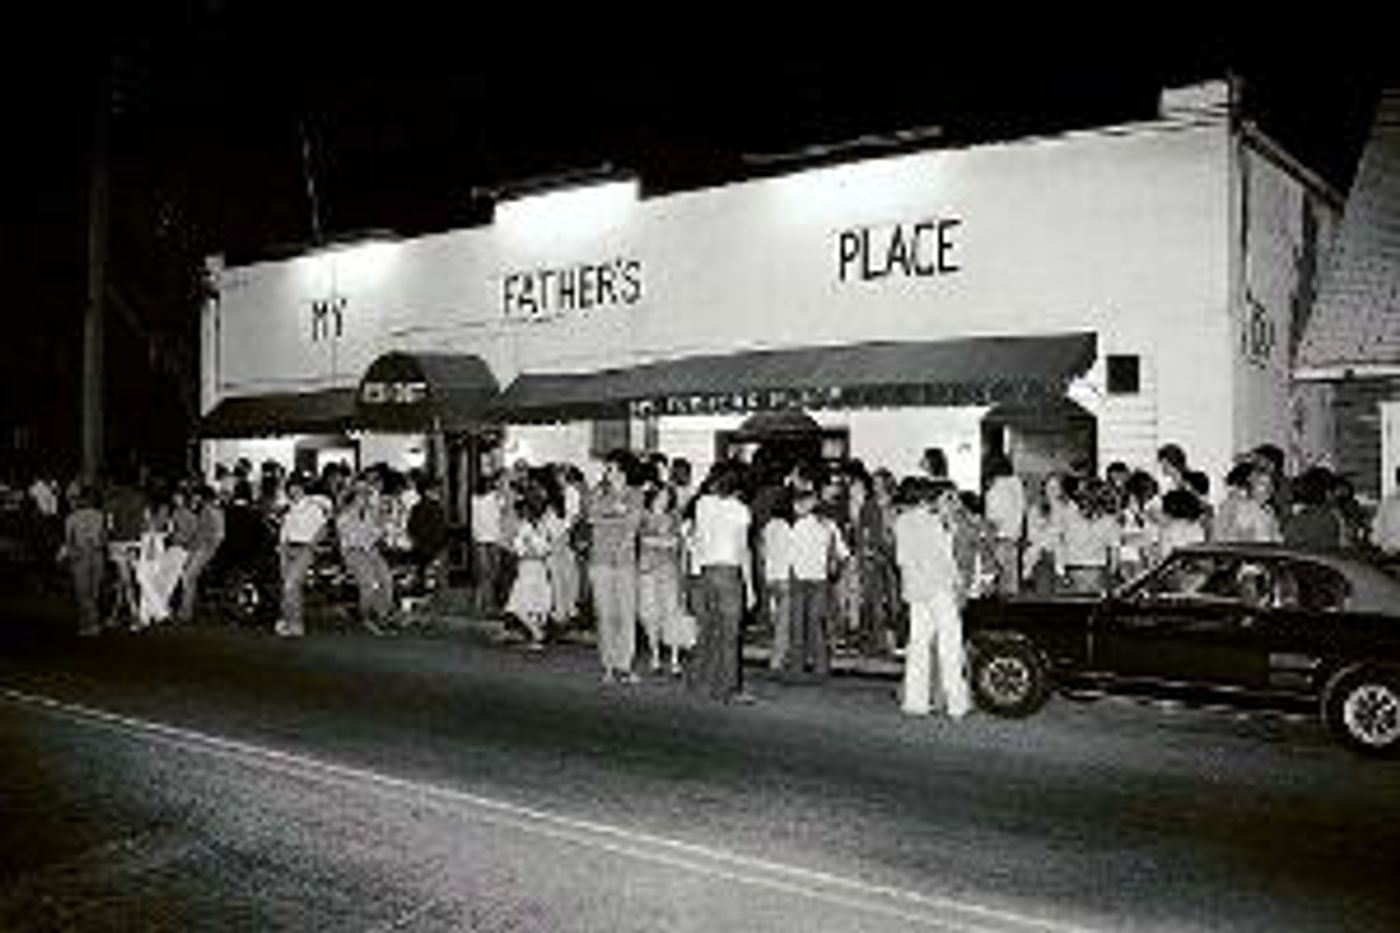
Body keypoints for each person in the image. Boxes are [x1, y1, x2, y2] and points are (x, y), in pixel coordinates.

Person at [894, 477, 971, 719]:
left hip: (916, 590)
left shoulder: (901, 522)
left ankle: (915, 702)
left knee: (918, 645)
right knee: (950, 644)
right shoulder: (934, 522)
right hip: (939, 589)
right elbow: (945, 560)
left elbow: (901, 560)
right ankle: (956, 704)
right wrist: (958, 583)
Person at [688, 462, 755, 703]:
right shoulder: (740, 510)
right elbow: (742, 549)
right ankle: (728, 689)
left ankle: (700, 681)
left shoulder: (702, 504)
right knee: (730, 635)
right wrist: (751, 587)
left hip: (706, 572)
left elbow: (699, 538)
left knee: (708, 630)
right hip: (728, 572)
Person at [586, 450, 645, 684]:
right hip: (600, 560)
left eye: (610, 468)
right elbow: (591, 517)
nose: (606, 472)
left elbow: (633, 525)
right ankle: (608, 665)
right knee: (605, 614)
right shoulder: (599, 492)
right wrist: (614, 514)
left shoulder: (636, 494)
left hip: (625, 562)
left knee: (626, 614)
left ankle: (625, 665)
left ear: (622, 470)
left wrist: (608, 516)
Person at [784, 488, 848, 683]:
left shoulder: (797, 526)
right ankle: (822, 667)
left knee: (797, 625)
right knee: (816, 625)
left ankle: (797, 668)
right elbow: (844, 553)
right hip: (820, 580)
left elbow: (789, 555)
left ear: (804, 505)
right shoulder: (829, 525)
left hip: (799, 578)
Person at [637, 482, 694, 674]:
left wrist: (660, 541)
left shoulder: (675, 516)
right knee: (650, 615)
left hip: (670, 571)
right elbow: (643, 540)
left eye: (667, 497)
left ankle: (674, 658)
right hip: (647, 571)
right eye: (660, 496)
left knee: (673, 614)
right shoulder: (642, 516)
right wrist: (664, 541)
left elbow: (677, 543)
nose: (664, 500)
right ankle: (655, 657)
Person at [337, 478, 399, 635]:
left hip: (370, 550)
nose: (365, 498)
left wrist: (383, 523)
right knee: (368, 582)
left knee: (386, 579)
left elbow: (376, 534)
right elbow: (352, 539)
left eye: (366, 495)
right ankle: (366, 617)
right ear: (354, 497)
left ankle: (383, 615)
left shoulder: (371, 513)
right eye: (361, 495)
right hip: (353, 551)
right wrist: (375, 531)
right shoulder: (344, 516)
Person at [276, 475, 332, 637]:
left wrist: (311, 545)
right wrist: (282, 548)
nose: (294, 491)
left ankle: (293, 622)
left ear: (303, 488)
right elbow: (285, 530)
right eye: (291, 488)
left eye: (297, 487)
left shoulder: (313, 507)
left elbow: (323, 529)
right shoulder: (289, 508)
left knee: (290, 584)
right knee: (291, 587)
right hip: (288, 548)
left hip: (304, 549)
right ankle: (290, 622)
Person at [505, 488, 554, 651]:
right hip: (540, 566)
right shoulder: (543, 526)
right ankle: (536, 636)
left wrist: (521, 549)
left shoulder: (525, 526)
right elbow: (546, 548)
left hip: (527, 567)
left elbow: (519, 548)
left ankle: (537, 633)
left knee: (519, 605)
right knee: (537, 602)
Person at [59, 485, 106, 637]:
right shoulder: (99, 515)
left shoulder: (71, 518)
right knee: (94, 592)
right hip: (97, 555)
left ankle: (90, 624)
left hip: (80, 556)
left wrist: (63, 555)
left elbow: (68, 540)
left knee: (83, 593)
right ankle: (90, 623)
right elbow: (103, 538)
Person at [177, 484, 225, 623]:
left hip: (202, 549)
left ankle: (185, 612)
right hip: (205, 550)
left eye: (196, 495)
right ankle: (186, 610)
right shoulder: (215, 510)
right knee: (190, 577)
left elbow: (204, 534)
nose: (194, 498)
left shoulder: (207, 511)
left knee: (188, 577)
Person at [983, 454, 1027, 595]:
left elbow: (993, 517)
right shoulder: (1016, 483)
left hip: (998, 538)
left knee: (998, 583)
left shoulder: (996, 487)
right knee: (1011, 583)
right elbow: (1021, 510)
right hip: (1013, 538)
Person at [1213, 462, 1282, 544]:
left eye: (1270, 485)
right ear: (1250, 485)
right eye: (1261, 484)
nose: (1268, 490)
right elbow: (1219, 537)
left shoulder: (1269, 512)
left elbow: (1277, 540)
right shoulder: (1233, 507)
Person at [470, 476, 508, 616]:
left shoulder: (474, 499)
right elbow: (503, 509)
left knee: (484, 574)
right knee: (492, 574)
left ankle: (480, 603)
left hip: (480, 539)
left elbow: (475, 521)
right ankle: (488, 605)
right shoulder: (495, 497)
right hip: (493, 539)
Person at [406, 475, 448, 601]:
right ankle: (438, 603)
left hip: (423, 549)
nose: (440, 492)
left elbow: (411, 528)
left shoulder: (416, 507)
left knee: (425, 578)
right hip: (433, 548)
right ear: (428, 491)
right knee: (435, 579)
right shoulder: (433, 507)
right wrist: (436, 547)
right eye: (437, 489)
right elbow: (436, 530)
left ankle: (430, 603)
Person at [1371, 467, 1400, 565]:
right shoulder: (1388, 503)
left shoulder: (1387, 503)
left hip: (1389, 555)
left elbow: (1376, 536)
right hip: (1391, 558)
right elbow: (1376, 536)